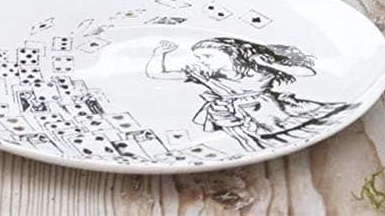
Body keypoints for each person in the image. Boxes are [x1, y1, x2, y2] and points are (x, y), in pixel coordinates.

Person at [145, 37, 354, 152]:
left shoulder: (258, 69)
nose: (202, 61)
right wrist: (159, 54)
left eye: (207, 56)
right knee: (257, 145)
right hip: (232, 116)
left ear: (232, 54)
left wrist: (270, 63)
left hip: (271, 111)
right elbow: (156, 74)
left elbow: (306, 72)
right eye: (200, 57)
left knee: (292, 134)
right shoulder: (205, 74)